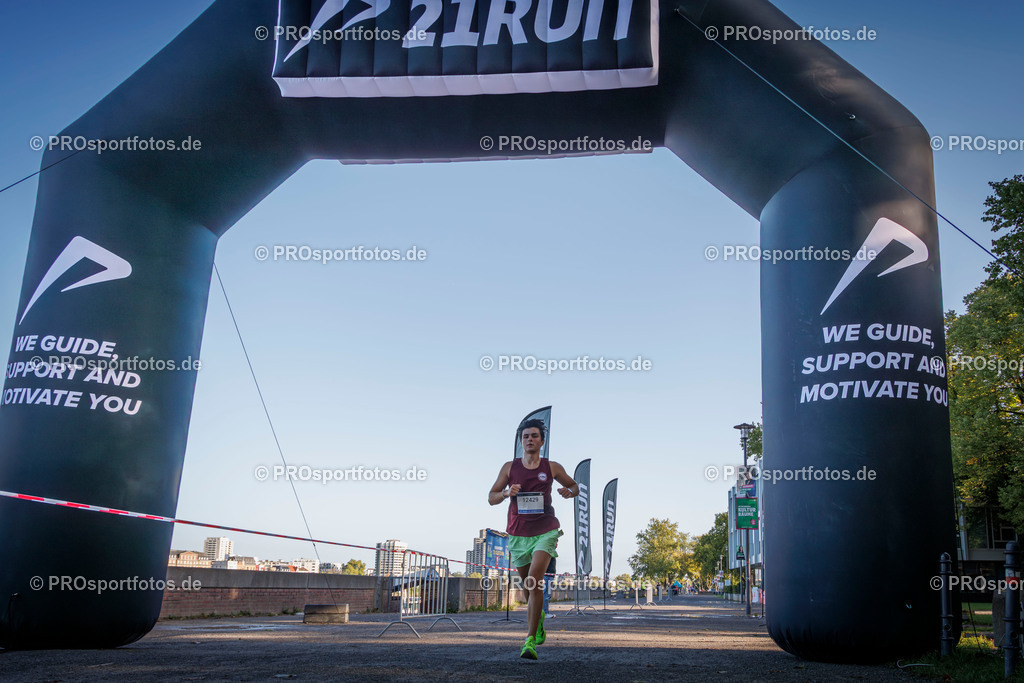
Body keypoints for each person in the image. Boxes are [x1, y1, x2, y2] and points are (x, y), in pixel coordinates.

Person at [488, 418, 578, 660]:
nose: (530, 439)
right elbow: (491, 497)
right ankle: (537, 622)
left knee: (534, 581)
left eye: (534, 436)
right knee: (528, 586)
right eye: (526, 436)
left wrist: (569, 492)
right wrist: (507, 492)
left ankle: (529, 640)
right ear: (521, 441)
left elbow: (574, 486)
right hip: (518, 533)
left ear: (542, 441)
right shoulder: (509, 467)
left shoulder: (552, 467)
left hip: (545, 530)